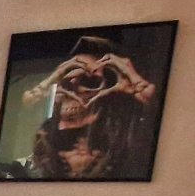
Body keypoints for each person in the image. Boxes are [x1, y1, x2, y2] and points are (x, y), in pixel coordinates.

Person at [22, 35, 160, 180]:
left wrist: (148, 100)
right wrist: (46, 85)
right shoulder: (40, 153)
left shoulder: (134, 151)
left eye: (89, 81)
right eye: (65, 81)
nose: (69, 93)